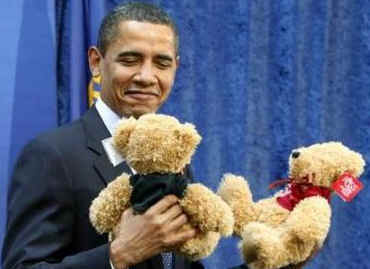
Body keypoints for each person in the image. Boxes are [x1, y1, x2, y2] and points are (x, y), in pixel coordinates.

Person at [2, 2, 203, 269]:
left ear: (175, 67)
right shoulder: (52, 154)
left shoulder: (175, 159)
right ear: (96, 62)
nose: (146, 76)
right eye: (130, 60)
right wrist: (117, 256)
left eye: (161, 63)